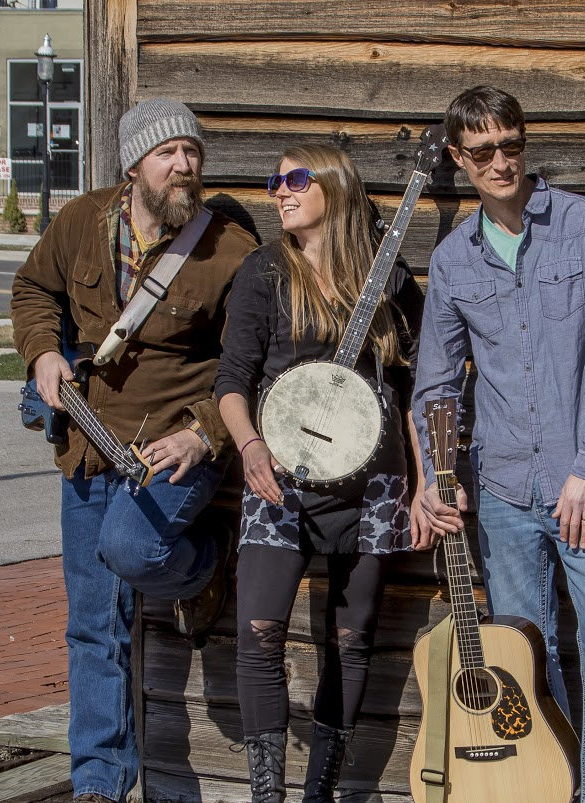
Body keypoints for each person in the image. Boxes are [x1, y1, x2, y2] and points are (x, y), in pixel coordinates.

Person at [10, 97, 257, 803]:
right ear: (133, 166)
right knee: (92, 627)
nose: (184, 165)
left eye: (192, 152)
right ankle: (99, 782)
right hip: (88, 443)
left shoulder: (229, 250)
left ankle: (202, 565)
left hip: (175, 446)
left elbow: (253, 363)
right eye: (167, 153)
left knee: (133, 550)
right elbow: (33, 290)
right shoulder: (80, 222)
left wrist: (204, 432)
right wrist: (43, 355)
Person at [412, 86, 585, 802]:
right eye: (482, 151)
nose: (500, 162)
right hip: (505, 493)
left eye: (510, 145)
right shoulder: (452, 261)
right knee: (524, 665)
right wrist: (434, 478)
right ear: (458, 157)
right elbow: (434, 387)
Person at [215, 144, 428, 803]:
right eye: (274, 180)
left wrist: (425, 485)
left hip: (376, 481)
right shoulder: (264, 271)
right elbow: (232, 380)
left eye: (295, 179)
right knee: (259, 635)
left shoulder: (389, 279)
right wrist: (250, 446)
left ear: (333, 188)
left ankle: (321, 794)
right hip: (280, 474)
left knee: (352, 637)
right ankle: (267, 795)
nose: (279, 190)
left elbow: (416, 389)